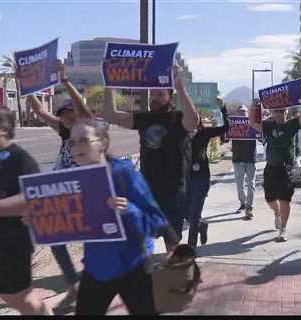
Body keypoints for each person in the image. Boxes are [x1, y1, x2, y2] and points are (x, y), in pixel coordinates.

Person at [63, 118, 170, 315]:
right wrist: (38, 220)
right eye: (72, 142)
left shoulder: (124, 175)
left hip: (134, 266)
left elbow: (155, 220)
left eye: (84, 140)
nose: (76, 146)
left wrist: (131, 210)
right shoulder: (70, 181)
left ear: (102, 143)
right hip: (96, 267)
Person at [103, 65, 200, 252]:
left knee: (172, 243)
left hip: (173, 191)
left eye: (159, 94)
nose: (154, 98)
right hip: (146, 190)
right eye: (152, 94)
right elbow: (110, 115)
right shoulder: (144, 119)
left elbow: (193, 121)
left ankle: (173, 273)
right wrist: (110, 83)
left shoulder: (178, 119)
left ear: (170, 98)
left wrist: (179, 84)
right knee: (139, 236)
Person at [27, 60, 92, 311]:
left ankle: (89, 284)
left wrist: (65, 82)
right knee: (54, 237)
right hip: (63, 193)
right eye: (63, 116)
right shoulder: (65, 131)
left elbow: (84, 112)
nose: (66, 119)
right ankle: (75, 283)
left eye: (69, 114)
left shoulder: (87, 128)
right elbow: (43, 114)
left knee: (90, 240)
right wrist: (27, 88)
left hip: (86, 191)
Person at [0, 106, 52, 315]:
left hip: (9, 247)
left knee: (20, 300)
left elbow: (36, 197)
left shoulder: (20, 159)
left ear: (2, 129)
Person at [249, 95, 301, 242]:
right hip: (271, 167)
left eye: (282, 111)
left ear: (286, 113)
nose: (279, 114)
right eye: (276, 111)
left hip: (288, 168)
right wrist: (254, 106)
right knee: (270, 198)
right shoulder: (268, 126)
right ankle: (276, 213)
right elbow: (252, 122)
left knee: (285, 199)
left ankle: (283, 229)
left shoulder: (291, 125)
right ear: (272, 113)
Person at [187, 109, 229, 248]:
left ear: (198, 121)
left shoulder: (205, 133)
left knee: (194, 214)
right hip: (185, 179)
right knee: (186, 212)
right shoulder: (180, 135)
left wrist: (224, 112)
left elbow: (225, 128)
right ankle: (202, 226)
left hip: (201, 178)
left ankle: (191, 248)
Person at [231, 105, 257, 220]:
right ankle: (243, 202)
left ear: (248, 114)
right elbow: (225, 137)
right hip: (237, 159)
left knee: (251, 184)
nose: (242, 113)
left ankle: (249, 207)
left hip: (250, 159)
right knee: (239, 185)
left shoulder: (254, 125)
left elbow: (261, 136)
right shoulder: (232, 125)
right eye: (240, 112)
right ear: (236, 114)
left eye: (244, 112)